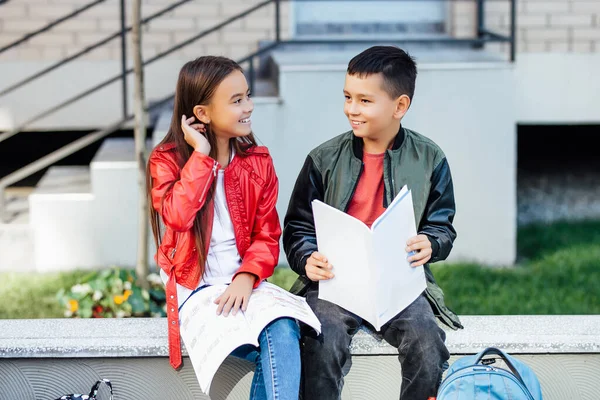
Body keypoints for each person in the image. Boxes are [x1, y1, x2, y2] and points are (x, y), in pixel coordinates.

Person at [283, 45, 463, 400]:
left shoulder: (430, 158)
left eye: (365, 101)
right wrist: (307, 258)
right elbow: (298, 226)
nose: (352, 108)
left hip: (399, 282)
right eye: (348, 97)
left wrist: (431, 241)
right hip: (335, 282)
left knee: (426, 341)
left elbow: (442, 224)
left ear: (400, 106)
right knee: (323, 337)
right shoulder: (323, 159)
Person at [147, 56, 301, 400]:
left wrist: (247, 276)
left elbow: (267, 234)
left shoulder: (257, 162)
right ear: (202, 113)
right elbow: (177, 216)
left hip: (245, 282)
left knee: (283, 330)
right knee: (270, 350)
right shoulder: (167, 160)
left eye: (247, 96)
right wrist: (201, 156)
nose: (248, 107)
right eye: (236, 101)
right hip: (195, 286)